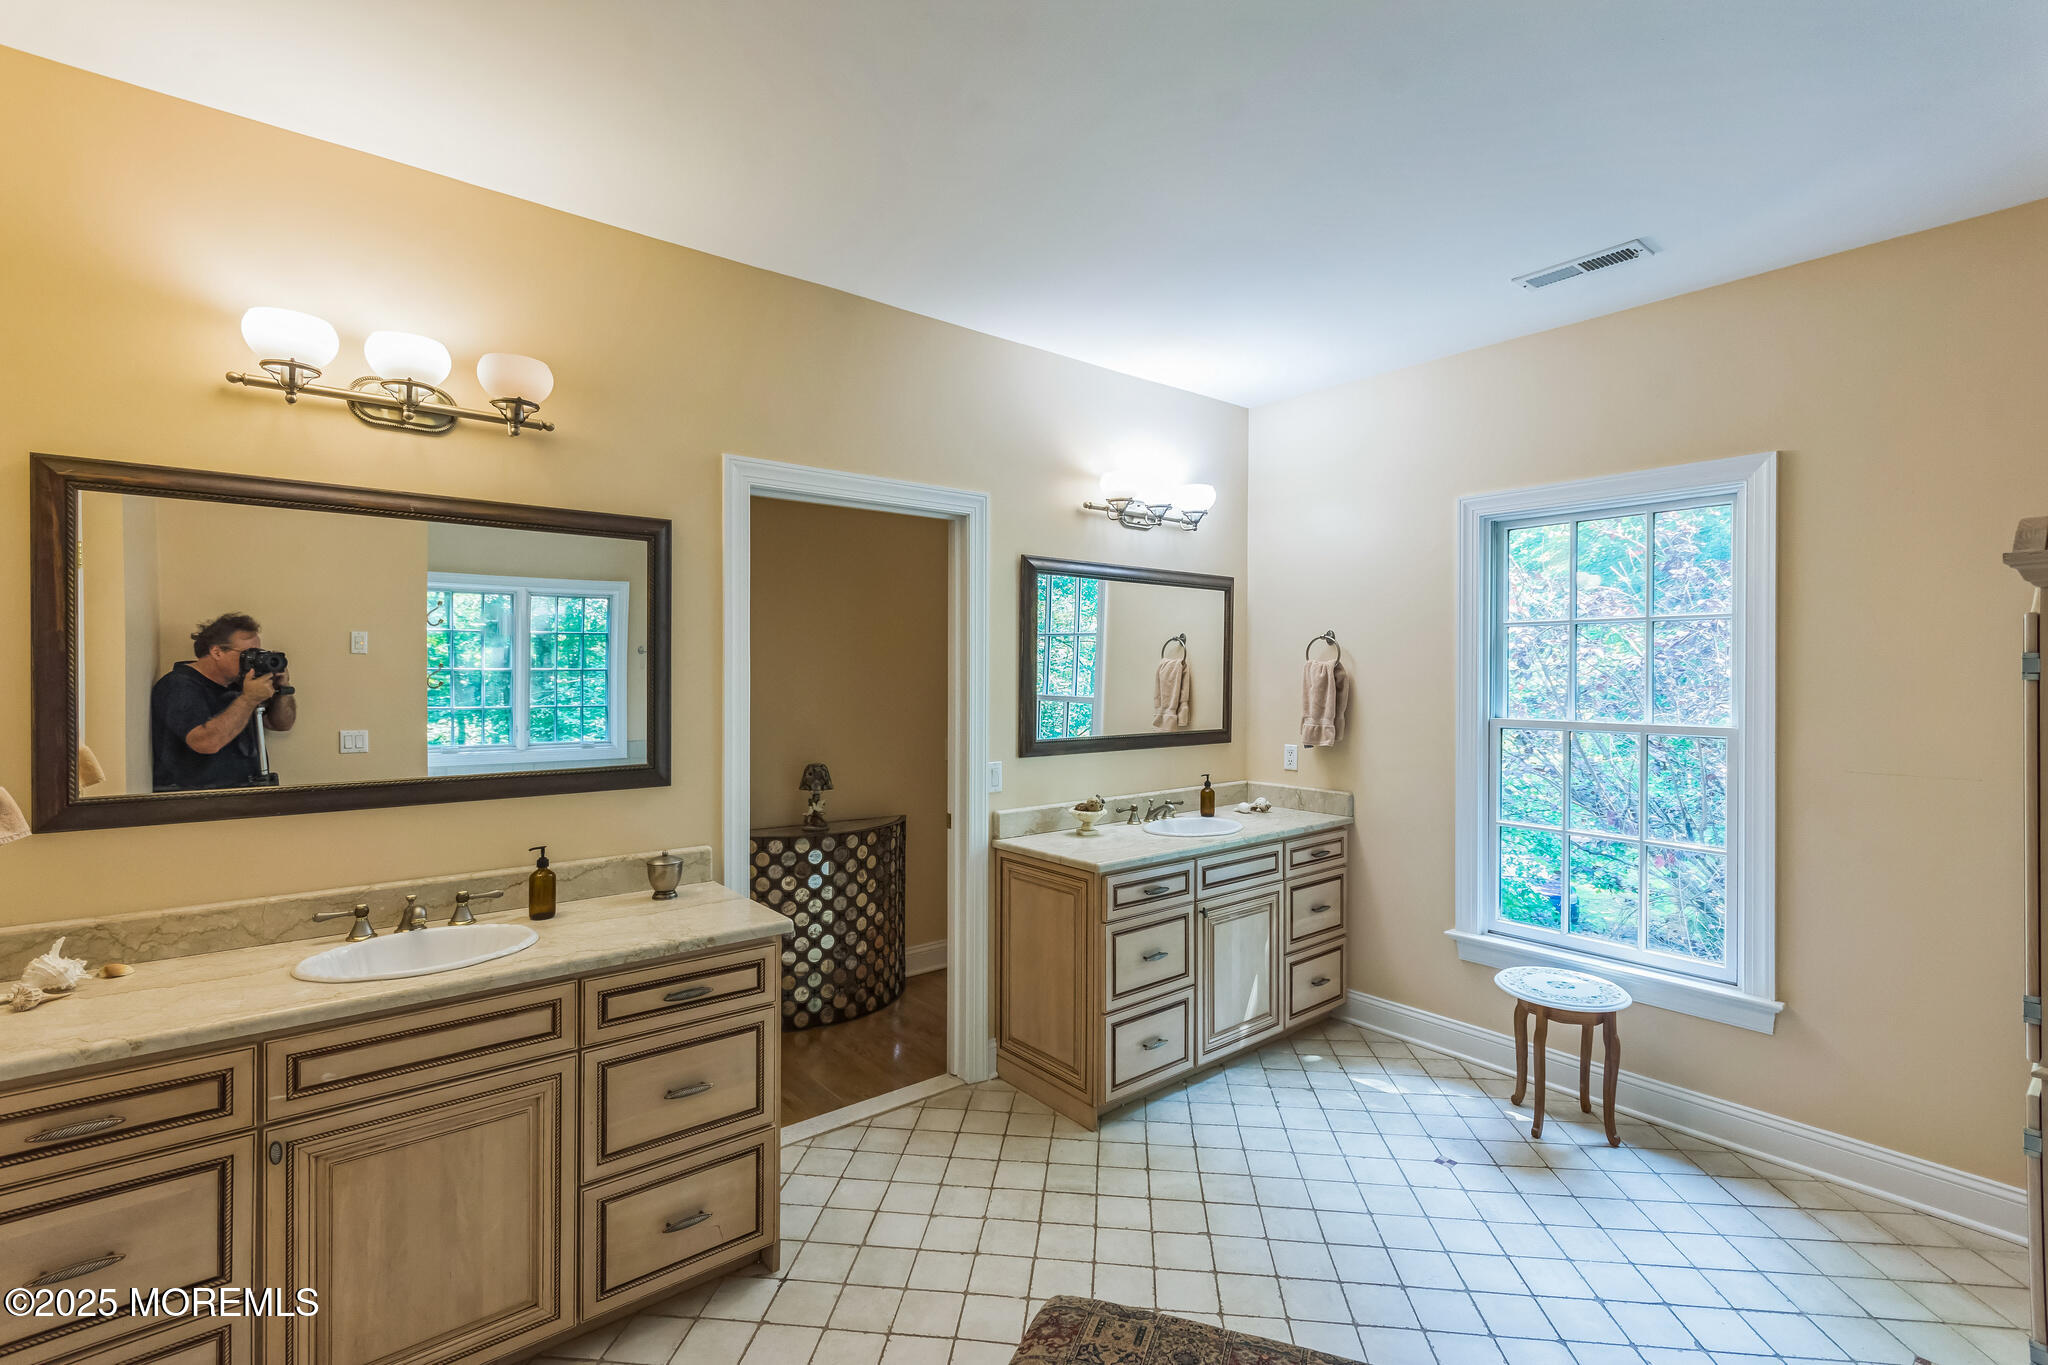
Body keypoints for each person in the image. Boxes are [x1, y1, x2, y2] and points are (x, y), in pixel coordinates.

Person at [150, 613, 296, 791]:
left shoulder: (240, 684)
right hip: (194, 800)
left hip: (243, 794)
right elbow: (205, 743)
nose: (253, 660)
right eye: (247, 654)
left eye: (258, 653)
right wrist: (248, 699)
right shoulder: (178, 685)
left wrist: (283, 688)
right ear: (217, 652)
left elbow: (281, 724)